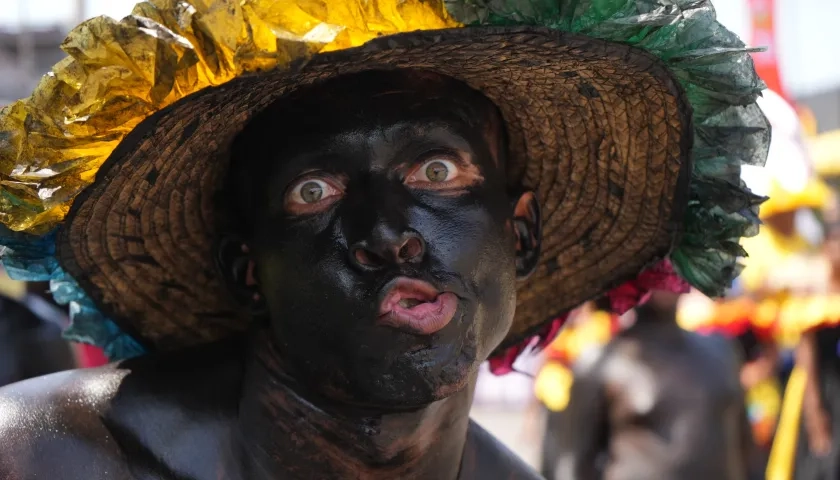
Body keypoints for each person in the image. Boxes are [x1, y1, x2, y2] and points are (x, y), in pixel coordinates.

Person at [0, 0, 769, 478]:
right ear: (248, 270)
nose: (388, 234)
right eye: (316, 192)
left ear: (521, 233)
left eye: (436, 169)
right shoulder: (45, 457)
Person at [553, 291, 753, 480]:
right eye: (652, 265)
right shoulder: (600, 363)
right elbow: (572, 467)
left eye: (671, 259)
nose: (663, 277)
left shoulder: (721, 352)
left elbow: (746, 450)